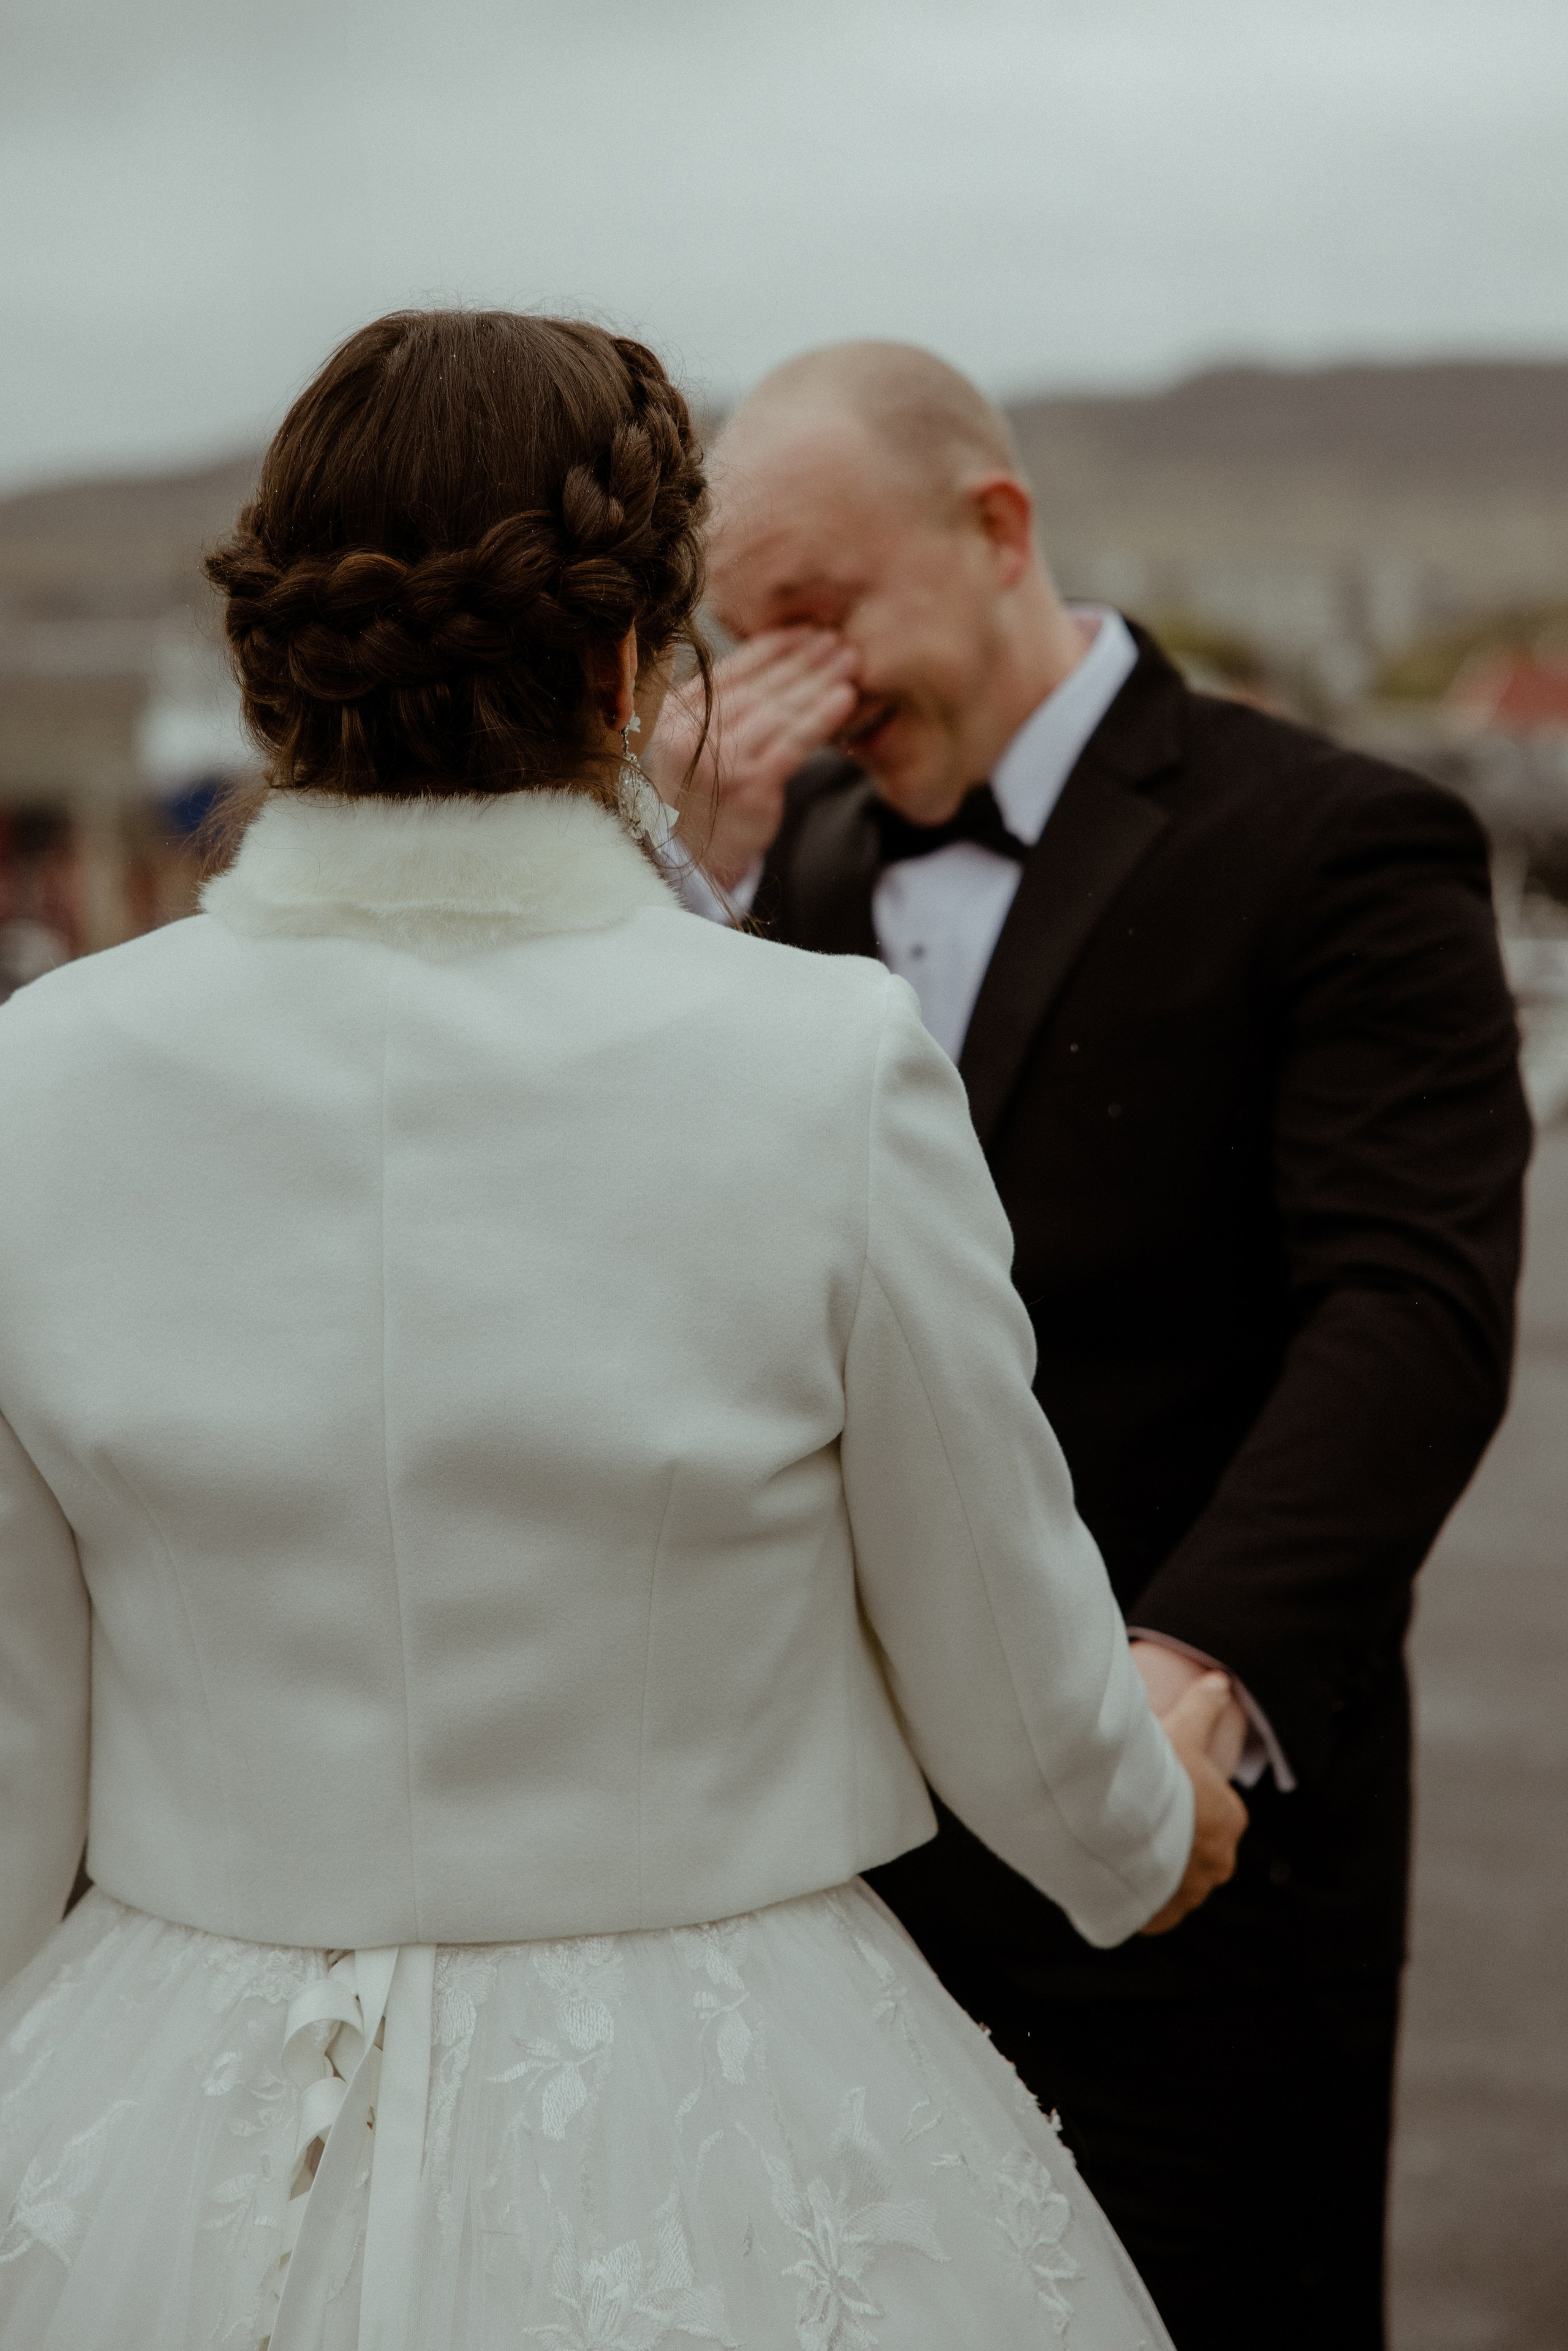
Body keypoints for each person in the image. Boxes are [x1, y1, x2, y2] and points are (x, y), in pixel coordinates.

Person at [0, 310, 1245, 2351]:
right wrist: (1147, 1826)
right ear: (625, 669)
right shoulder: (823, 1069)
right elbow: (1005, 1664)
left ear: (269, 667)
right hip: (732, 2115)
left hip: (170, 2114)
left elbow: (9, 1741)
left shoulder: (37, 1086)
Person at [647, 340, 1532, 2351]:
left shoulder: (1339, 846)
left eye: (818, 612)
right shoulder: (780, 875)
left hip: (1199, 1860)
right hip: (843, 1872)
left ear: (999, 528)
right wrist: (686, 882)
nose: (804, 683)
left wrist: (1193, 1672)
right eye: (745, 635)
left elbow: (1409, 1310)